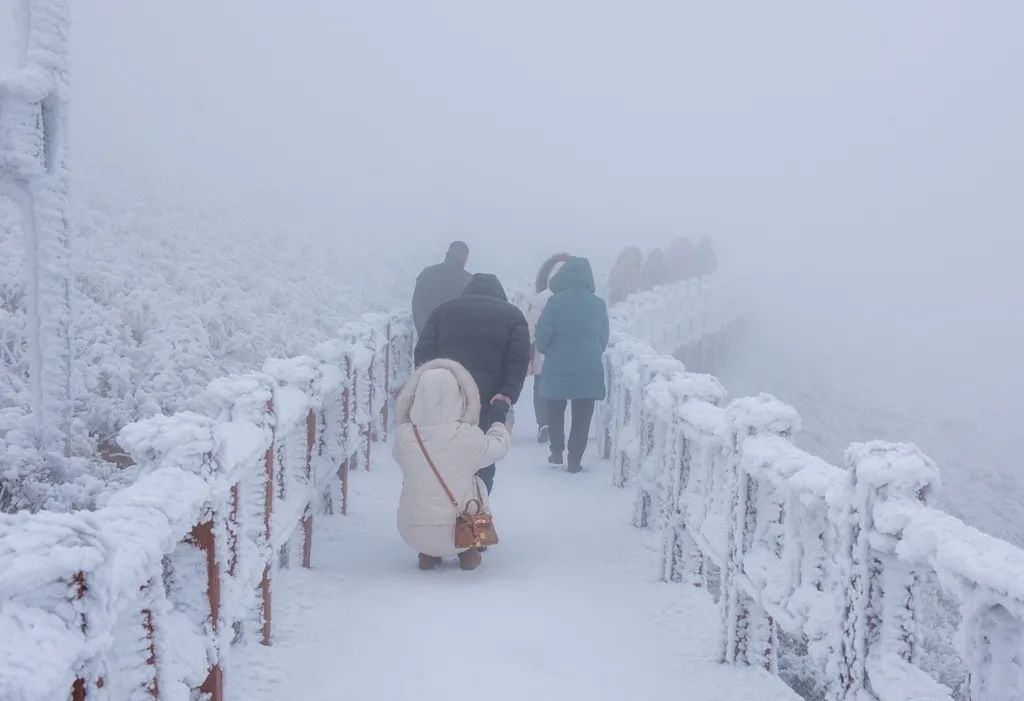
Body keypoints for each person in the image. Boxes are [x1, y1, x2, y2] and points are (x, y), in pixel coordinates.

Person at [414, 273, 531, 492]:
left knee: (442, 455)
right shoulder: (513, 316)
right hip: (488, 400)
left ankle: (444, 510)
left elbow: (423, 353)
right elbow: (519, 359)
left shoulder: (443, 310)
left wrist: (428, 386)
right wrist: (507, 393)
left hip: (444, 396)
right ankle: (475, 516)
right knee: (483, 456)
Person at [393, 359, 510, 571]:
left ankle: (428, 554)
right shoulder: (465, 436)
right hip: (458, 530)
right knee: (476, 483)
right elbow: (498, 448)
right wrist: (499, 421)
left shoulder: (404, 436)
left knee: (419, 483)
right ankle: (468, 551)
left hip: (412, 531)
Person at [536, 257, 610, 473]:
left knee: (555, 407)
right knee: (583, 413)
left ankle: (556, 451)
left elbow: (542, 335)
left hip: (558, 363)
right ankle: (575, 459)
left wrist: (548, 350)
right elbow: (603, 338)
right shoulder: (598, 304)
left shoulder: (555, 302)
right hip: (589, 366)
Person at [525, 253, 570, 444]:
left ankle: (543, 423)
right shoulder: (572, 298)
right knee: (560, 389)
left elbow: (531, 327)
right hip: (565, 352)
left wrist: (528, 353)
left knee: (540, 387)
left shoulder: (540, 298)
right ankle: (555, 422)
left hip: (542, 351)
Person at [411, 241, 473, 334]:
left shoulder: (427, 274)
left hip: (428, 335)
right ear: (464, 257)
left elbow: (417, 305)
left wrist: (423, 331)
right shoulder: (469, 280)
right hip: (455, 338)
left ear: (448, 254)